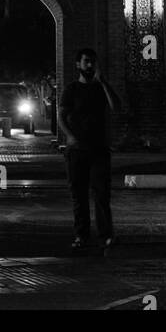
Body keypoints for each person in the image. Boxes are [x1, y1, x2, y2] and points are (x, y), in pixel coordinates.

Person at [58, 48, 122, 249]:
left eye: (92, 61)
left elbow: (116, 107)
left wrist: (103, 82)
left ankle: (106, 235)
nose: (90, 65)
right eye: (86, 61)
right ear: (78, 64)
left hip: (99, 149)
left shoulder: (100, 88)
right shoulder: (71, 89)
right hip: (76, 150)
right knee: (79, 196)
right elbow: (61, 116)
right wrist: (69, 136)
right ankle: (81, 235)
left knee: (102, 194)